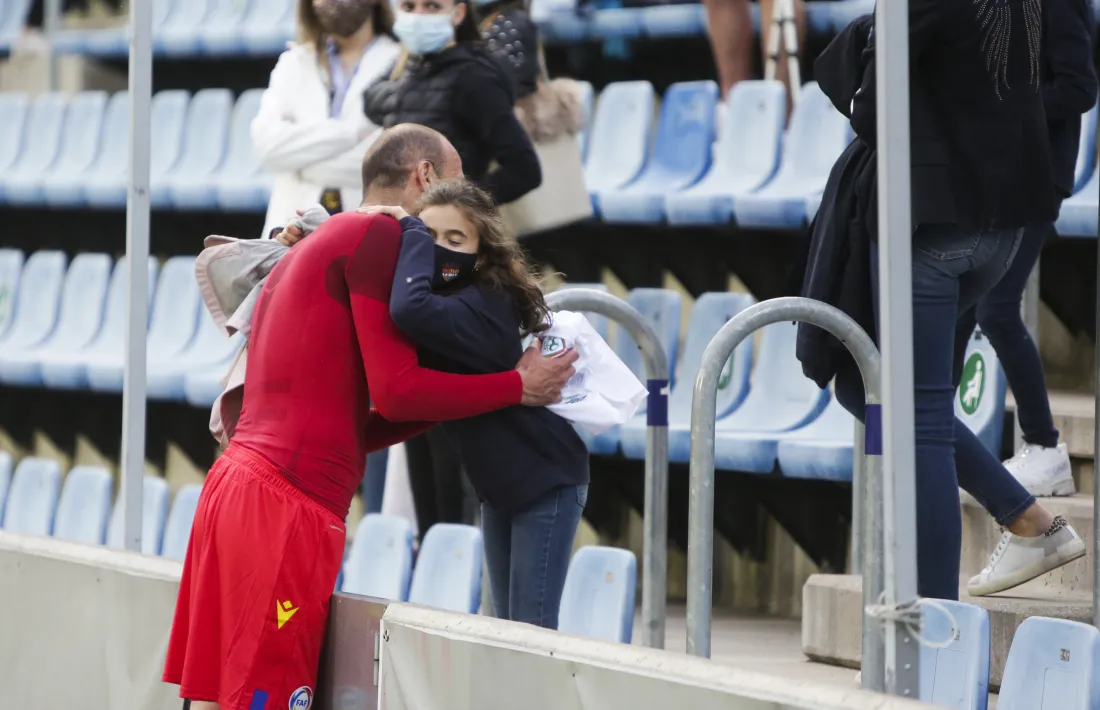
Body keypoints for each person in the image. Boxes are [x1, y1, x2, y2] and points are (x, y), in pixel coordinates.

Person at [162, 124, 578, 710]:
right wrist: (516, 386)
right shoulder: (384, 234)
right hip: (284, 506)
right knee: (263, 702)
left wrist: (471, 399)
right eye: (457, 184)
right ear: (425, 178)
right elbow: (401, 392)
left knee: (222, 700)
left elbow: (362, 421)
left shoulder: (320, 240)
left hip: (241, 491)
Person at [802, 4, 1084, 603]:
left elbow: (875, 112)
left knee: (916, 417)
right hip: (1002, 228)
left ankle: (929, 618)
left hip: (937, 223)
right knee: (875, 390)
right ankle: (1024, 517)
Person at [366, 179, 589, 629]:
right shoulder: (444, 299)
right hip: (499, 487)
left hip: (544, 478)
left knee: (529, 630)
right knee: (500, 631)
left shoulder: (484, 301)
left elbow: (408, 309)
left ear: (482, 255)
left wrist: (408, 232)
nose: (437, 250)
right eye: (428, 236)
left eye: (455, 240)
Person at [952, 0, 1097, 498]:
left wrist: (1005, 105)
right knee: (963, 307)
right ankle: (932, 431)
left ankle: (1044, 446)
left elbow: (1079, 88)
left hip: (1035, 178)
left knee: (993, 310)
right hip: (994, 176)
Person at [252, 0, 401, 237]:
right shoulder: (292, 63)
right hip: (287, 231)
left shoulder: (400, 63)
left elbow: (385, 163)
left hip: (367, 229)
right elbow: (269, 149)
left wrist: (301, 163)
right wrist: (354, 133)